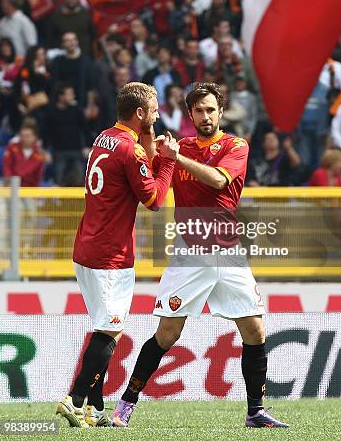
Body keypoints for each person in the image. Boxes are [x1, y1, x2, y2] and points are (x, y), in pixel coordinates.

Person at [112, 82, 289, 429]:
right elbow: (148, 164)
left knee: (255, 331)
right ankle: (124, 406)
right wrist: (151, 136)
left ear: (221, 113)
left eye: (211, 109)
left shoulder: (235, 145)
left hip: (229, 253)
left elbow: (219, 182)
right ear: (190, 115)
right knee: (167, 335)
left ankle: (255, 411)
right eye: (199, 110)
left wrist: (176, 156)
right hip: (190, 253)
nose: (205, 116)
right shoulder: (182, 147)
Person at [56, 82, 179, 428]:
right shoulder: (131, 151)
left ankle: (94, 410)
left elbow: (138, 157)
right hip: (109, 253)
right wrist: (167, 163)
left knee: (105, 328)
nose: (157, 115)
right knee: (110, 330)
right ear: (139, 113)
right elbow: (154, 200)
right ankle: (75, 398)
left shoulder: (104, 138)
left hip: (87, 246)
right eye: (153, 110)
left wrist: (150, 134)